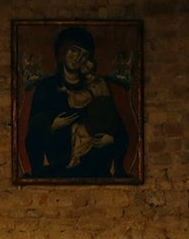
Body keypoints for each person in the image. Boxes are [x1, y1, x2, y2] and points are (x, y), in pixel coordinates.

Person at [23, 26, 131, 179]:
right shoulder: (46, 88)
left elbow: (114, 123)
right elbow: (33, 133)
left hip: (94, 167)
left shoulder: (95, 86)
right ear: (63, 51)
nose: (77, 58)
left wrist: (111, 139)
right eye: (74, 50)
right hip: (57, 166)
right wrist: (53, 126)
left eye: (84, 54)